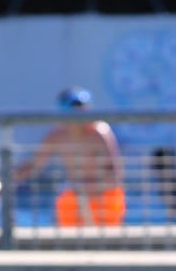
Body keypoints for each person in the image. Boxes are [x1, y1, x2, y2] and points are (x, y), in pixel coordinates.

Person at [12, 87, 126, 227]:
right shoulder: (56, 136)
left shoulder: (99, 133)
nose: (78, 114)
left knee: (104, 237)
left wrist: (87, 188)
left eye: (82, 108)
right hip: (77, 197)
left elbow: (114, 174)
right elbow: (34, 165)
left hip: (103, 196)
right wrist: (7, 180)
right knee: (67, 205)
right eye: (73, 108)